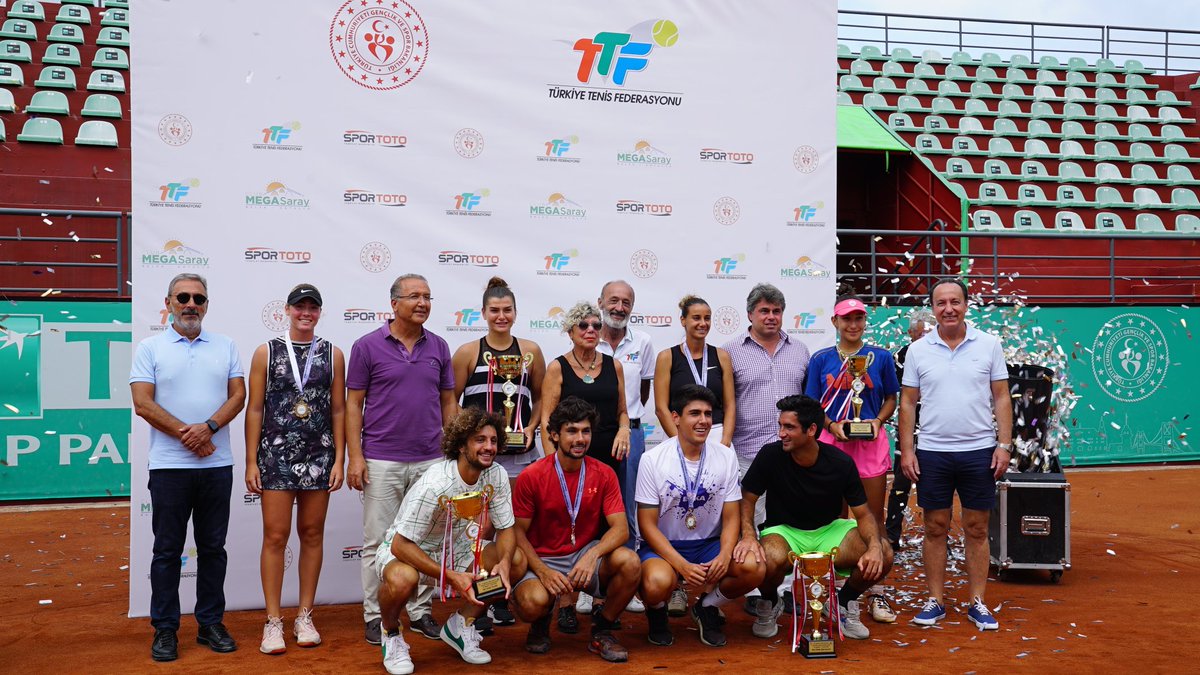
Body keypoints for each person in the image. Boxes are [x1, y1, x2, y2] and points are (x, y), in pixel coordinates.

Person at [130, 273, 246, 662]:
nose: (191, 303)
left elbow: (239, 396)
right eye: (183, 297)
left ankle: (210, 624)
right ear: (169, 302)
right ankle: (165, 629)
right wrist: (188, 435)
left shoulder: (226, 345)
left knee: (213, 548)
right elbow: (143, 404)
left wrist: (209, 428)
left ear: (207, 305)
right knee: (167, 551)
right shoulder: (150, 347)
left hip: (217, 466)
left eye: (198, 297)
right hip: (168, 468)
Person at [347, 274, 457, 645]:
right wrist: (355, 457)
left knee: (426, 540)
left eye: (427, 296)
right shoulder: (366, 346)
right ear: (394, 304)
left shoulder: (439, 347)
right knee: (377, 541)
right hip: (381, 460)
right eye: (414, 297)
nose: (423, 303)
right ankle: (375, 615)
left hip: (432, 461)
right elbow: (353, 405)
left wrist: (453, 455)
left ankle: (421, 612)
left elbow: (448, 403)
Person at [374, 407, 524, 674]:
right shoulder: (436, 483)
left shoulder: (497, 474)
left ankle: (461, 625)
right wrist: (450, 575)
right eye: (480, 440)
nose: (489, 447)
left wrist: (502, 562)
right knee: (401, 579)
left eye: (492, 440)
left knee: (515, 561)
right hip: (409, 550)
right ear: (461, 445)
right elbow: (400, 545)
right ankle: (391, 632)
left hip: (458, 548)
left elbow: (507, 528)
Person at [899, 278, 1012, 631]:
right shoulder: (918, 350)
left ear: (966, 305)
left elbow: (1002, 397)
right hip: (933, 452)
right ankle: (936, 600)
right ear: (932, 309)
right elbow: (907, 402)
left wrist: (1004, 445)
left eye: (955, 301)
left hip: (979, 451)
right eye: (940, 303)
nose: (948, 308)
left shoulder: (989, 345)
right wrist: (907, 451)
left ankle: (977, 601)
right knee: (935, 527)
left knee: (976, 529)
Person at [735, 395, 892, 641]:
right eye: (780, 426)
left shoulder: (841, 462)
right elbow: (747, 499)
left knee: (884, 552)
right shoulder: (770, 455)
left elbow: (863, 514)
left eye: (789, 427)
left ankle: (842, 602)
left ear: (811, 430)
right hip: (783, 532)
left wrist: (873, 547)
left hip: (830, 531)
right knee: (762, 561)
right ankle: (771, 601)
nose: (781, 434)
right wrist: (748, 536)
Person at [244, 284, 346, 655]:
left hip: (319, 457)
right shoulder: (265, 352)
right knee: (275, 536)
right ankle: (273, 621)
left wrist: (339, 458)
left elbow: (338, 410)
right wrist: (251, 460)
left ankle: (305, 614)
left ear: (319, 312)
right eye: (299, 306)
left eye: (312, 307)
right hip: (275, 457)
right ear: (286, 310)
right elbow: (255, 408)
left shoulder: (333, 354)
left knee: (312, 534)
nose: (306, 312)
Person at [511, 397, 641, 662]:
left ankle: (602, 629)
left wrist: (591, 556)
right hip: (542, 557)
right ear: (554, 435)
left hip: (584, 552)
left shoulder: (604, 473)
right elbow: (516, 532)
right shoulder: (532, 476)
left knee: (630, 562)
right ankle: (541, 619)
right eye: (571, 431)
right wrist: (543, 571)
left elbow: (620, 530)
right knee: (531, 603)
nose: (580, 438)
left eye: (585, 431)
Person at [453, 276, 546, 628]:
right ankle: (481, 596)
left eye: (507, 310)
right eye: (495, 310)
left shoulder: (531, 351)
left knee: (514, 525)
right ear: (483, 313)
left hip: (520, 456)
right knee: (479, 530)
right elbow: (451, 399)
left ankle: (502, 594)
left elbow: (540, 398)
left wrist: (531, 427)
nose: (501, 316)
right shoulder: (467, 352)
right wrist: (470, 438)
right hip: (480, 461)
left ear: (516, 313)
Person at [637, 385, 762, 647]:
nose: (703, 421)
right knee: (656, 583)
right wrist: (680, 564)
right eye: (694, 413)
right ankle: (657, 611)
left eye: (708, 414)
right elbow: (647, 525)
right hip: (665, 547)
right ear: (675, 418)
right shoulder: (652, 459)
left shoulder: (726, 456)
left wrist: (725, 554)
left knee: (753, 567)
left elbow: (731, 517)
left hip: (708, 544)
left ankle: (706, 606)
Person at [803, 292, 900, 623]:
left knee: (873, 516)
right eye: (846, 318)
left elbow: (890, 398)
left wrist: (877, 420)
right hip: (832, 443)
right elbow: (813, 404)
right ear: (835, 322)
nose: (853, 324)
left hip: (870, 443)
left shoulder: (881, 358)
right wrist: (830, 424)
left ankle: (875, 591)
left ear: (864, 321)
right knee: (834, 520)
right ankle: (836, 590)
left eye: (858, 318)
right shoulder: (820, 360)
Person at [539, 300, 631, 631]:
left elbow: (623, 410)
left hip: (609, 457)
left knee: (607, 527)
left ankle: (600, 600)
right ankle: (565, 603)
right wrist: (555, 463)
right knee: (571, 524)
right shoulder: (557, 367)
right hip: (570, 460)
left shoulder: (614, 365)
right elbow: (547, 419)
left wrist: (624, 428)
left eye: (596, 325)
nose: (591, 330)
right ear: (570, 331)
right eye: (584, 326)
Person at [652, 294, 737, 616]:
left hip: (716, 439)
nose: (702, 324)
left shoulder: (722, 356)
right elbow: (661, 406)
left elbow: (729, 404)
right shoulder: (667, 357)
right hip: (681, 440)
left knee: (712, 511)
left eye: (707, 318)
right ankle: (675, 585)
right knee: (675, 512)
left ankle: (711, 587)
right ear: (683, 321)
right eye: (696, 318)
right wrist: (681, 443)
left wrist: (725, 442)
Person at [885, 308, 933, 549]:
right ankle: (891, 535)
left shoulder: (943, 353)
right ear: (911, 333)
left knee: (936, 484)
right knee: (902, 482)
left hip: (939, 429)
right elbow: (902, 395)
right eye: (921, 332)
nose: (925, 337)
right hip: (910, 428)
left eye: (929, 332)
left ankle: (937, 537)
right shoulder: (902, 355)